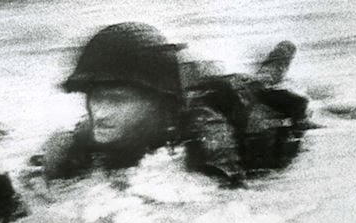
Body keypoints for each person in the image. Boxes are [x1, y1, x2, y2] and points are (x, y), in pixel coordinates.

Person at [37, 22, 309, 186]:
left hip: (258, 118)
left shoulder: (206, 130)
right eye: (95, 98)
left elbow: (227, 202)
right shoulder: (95, 131)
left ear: (160, 102)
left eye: (117, 100)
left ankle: (279, 59)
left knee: (260, 86)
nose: (100, 113)